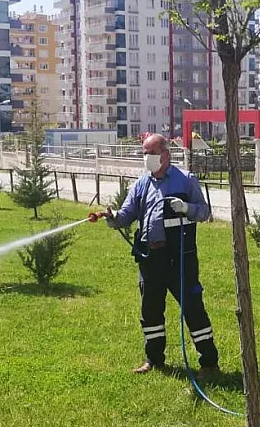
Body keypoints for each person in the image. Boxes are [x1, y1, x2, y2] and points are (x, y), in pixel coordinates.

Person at [88, 134, 219, 378]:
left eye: (150, 153)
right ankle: (154, 359)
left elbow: (204, 212)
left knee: (193, 308)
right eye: (144, 154)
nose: (146, 158)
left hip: (180, 258)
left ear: (165, 155)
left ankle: (209, 363)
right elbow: (127, 214)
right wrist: (112, 216)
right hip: (150, 257)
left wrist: (186, 208)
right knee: (150, 310)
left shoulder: (185, 181)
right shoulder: (142, 183)